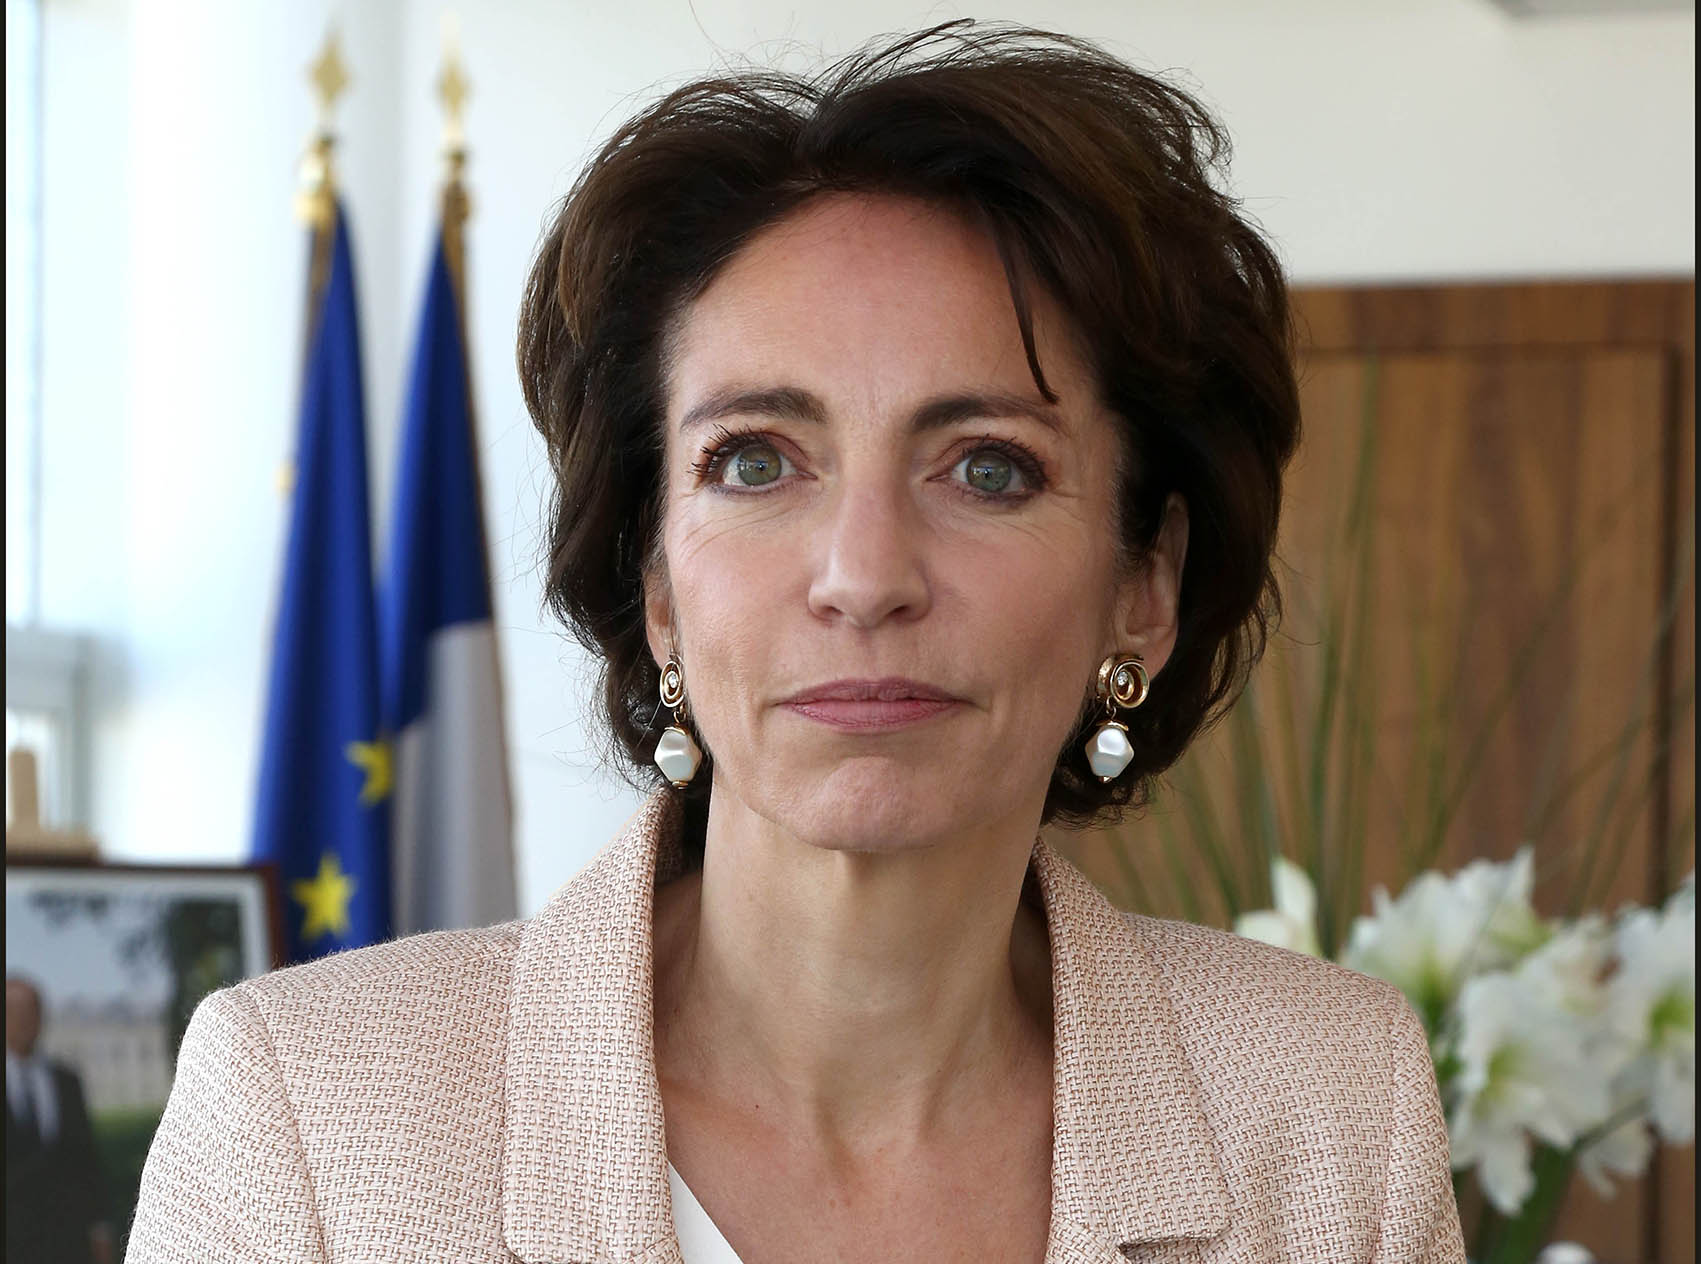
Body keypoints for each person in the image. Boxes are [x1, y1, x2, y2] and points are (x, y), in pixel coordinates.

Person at [128, 21, 1465, 1262]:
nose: (864, 576)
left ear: (1144, 587)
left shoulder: (1332, 1113)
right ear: (656, 580)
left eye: (988, 468)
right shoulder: (309, 1121)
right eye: (756, 461)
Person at [6, 976, 116, 1264]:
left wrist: (100, 1228)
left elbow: (86, 1159)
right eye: (16, 1011)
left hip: (67, 1238)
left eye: (32, 1011)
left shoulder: (66, 1080)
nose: (25, 1021)